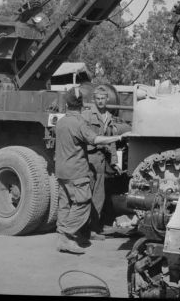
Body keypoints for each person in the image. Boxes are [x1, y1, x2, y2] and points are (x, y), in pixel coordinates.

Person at [55, 86, 133, 254]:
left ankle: (65, 236)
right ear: (82, 103)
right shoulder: (80, 122)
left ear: (67, 104)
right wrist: (119, 137)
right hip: (77, 170)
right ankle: (66, 236)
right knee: (83, 202)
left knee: (65, 204)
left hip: (62, 170)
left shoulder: (61, 122)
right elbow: (95, 139)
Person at [81, 85, 130, 239]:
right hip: (89, 159)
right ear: (93, 100)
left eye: (103, 99)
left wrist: (115, 161)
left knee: (99, 196)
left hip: (102, 161)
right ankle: (83, 229)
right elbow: (83, 138)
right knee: (85, 195)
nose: (100, 101)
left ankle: (94, 228)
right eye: (98, 99)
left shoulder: (108, 117)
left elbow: (112, 143)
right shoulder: (87, 116)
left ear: (107, 99)